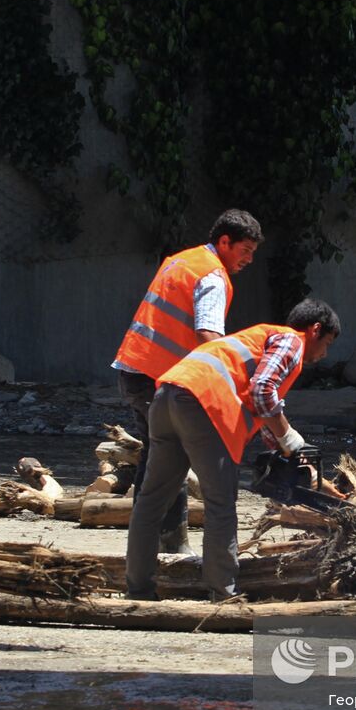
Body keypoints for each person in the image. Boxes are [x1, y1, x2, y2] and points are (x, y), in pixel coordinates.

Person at [126, 299, 340, 601]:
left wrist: (298, 461)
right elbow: (263, 390)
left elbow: (262, 413)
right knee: (221, 503)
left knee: (151, 501)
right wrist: (291, 440)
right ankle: (223, 592)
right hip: (201, 405)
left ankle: (138, 590)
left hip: (166, 396)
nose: (324, 354)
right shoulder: (292, 341)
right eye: (327, 344)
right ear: (316, 330)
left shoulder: (257, 337)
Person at [111, 209, 262, 555]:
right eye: (245, 250)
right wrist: (234, 382)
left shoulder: (182, 260)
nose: (250, 259)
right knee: (169, 458)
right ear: (225, 242)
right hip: (158, 376)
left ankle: (154, 546)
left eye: (253, 252)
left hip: (138, 369)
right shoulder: (212, 276)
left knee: (159, 458)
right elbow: (208, 333)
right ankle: (168, 548)